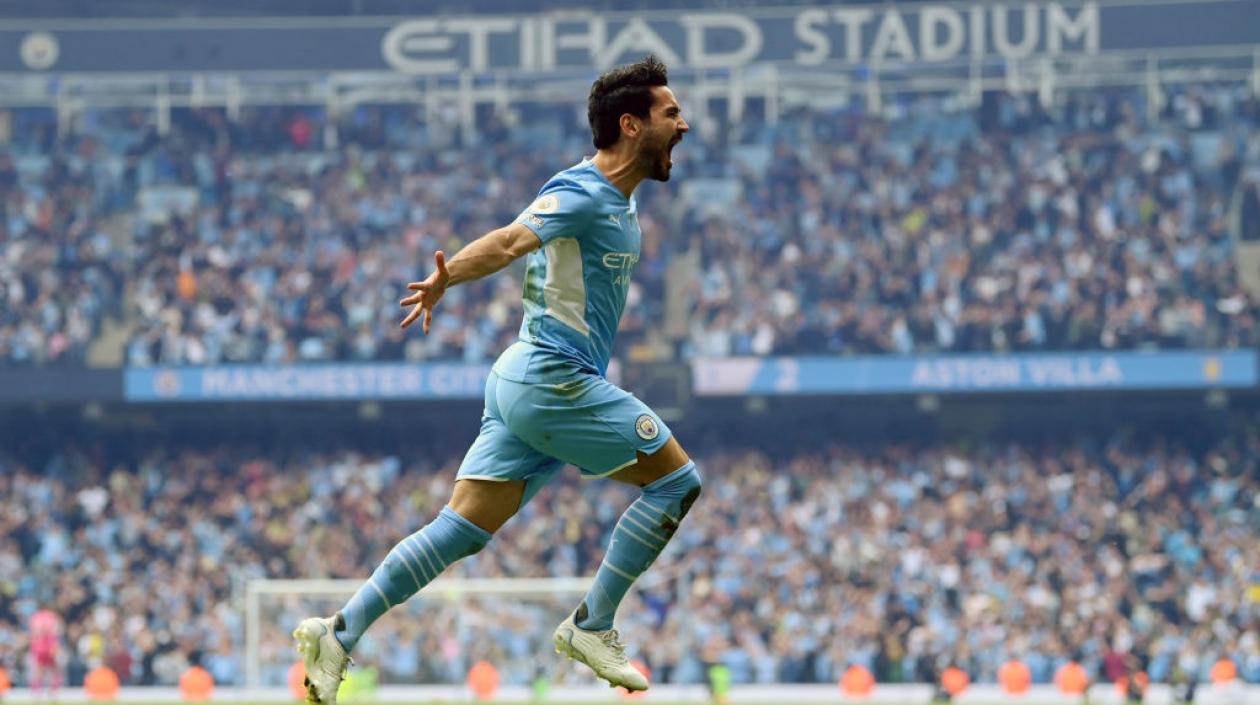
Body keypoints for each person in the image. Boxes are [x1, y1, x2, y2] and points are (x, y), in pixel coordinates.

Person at [293, 54, 695, 705]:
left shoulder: (619, 204)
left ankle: (340, 632)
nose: (685, 124)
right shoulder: (583, 191)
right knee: (677, 481)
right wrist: (448, 276)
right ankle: (593, 623)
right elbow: (512, 242)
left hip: (523, 379)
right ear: (630, 124)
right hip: (551, 378)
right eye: (671, 113)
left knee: (461, 529)